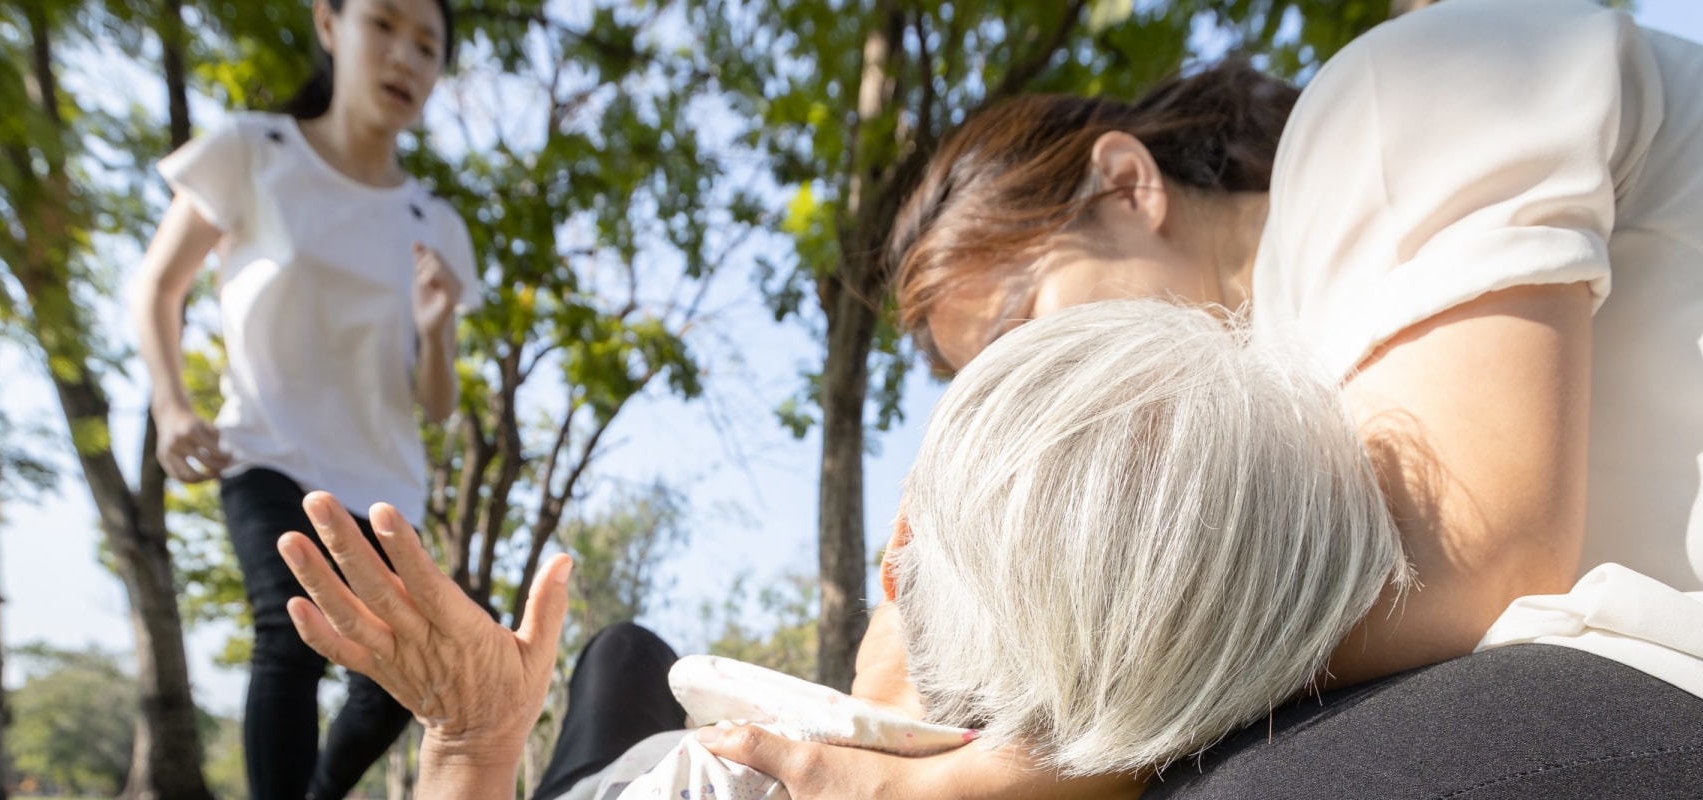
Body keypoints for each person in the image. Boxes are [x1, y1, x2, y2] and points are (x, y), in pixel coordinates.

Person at [695, 0, 1703, 795]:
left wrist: (1038, 762)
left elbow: (1483, 552)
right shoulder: (1288, 390)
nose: (1028, 382)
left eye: (1016, 325)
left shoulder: (1393, 101)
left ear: (1129, 184)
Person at [271, 300, 1423, 800]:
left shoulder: (728, 773)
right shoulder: (1162, 746)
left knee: (622, 653)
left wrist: (473, 747)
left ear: (901, 548)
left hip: (642, 761)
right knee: (624, 656)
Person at [128, 0, 477, 795]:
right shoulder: (254, 151)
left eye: (427, 45)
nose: (405, 58)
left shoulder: (435, 222)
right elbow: (158, 285)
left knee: (402, 676)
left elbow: (438, 403)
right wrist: (172, 402)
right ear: (330, 24)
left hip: (386, 483)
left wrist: (439, 324)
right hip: (269, 452)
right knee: (289, 635)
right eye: (383, 26)